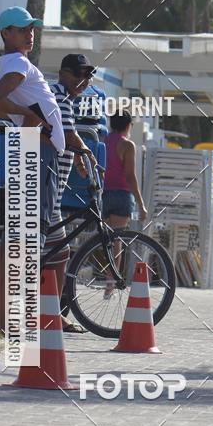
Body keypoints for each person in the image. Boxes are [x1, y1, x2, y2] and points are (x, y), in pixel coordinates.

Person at [0, 6, 65, 334]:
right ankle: (13, 321)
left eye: (32, 27)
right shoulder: (17, 63)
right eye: (22, 28)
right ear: (5, 33)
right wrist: (32, 118)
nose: (30, 32)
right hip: (37, 151)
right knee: (26, 240)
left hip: (31, 147)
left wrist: (24, 115)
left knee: (13, 239)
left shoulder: (9, 63)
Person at [45, 54, 98, 332]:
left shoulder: (66, 99)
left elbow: (66, 132)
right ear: (63, 73)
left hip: (50, 193)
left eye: (87, 76)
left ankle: (49, 313)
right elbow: (66, 134)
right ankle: (47, 315)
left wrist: (78, 158)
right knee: (54, 251)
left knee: (56, 252)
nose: (83, 81)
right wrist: (87, 152)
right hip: (43, 190)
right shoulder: (58, 94)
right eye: (77, 74)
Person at [102, 111, 147, 297]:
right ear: (128, 125)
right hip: (121, 195)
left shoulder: (102, 141)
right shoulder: (127, 145)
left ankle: (103, 273)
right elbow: (130, 176)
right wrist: (140, 202)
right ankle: (110, 281)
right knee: (116, 240)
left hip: (103, 194)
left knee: (104, 239)